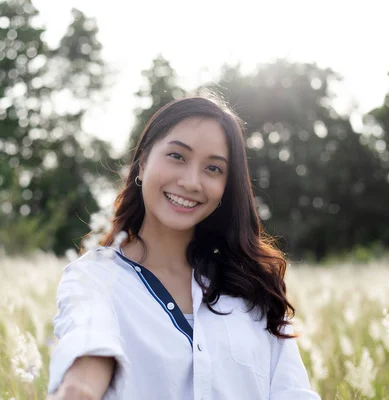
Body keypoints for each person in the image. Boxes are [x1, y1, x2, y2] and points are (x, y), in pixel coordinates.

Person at [47, 95, 321, 400]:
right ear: (141, 165)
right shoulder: (95, 278)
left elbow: (293, 392)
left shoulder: (255, 284)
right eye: (177, 156)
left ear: (226, 188)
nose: (192, 182)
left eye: (213, 169)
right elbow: (85, 370)